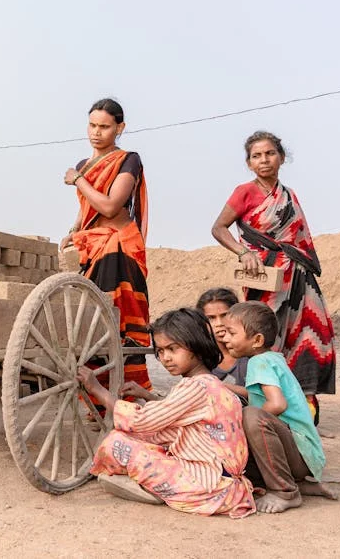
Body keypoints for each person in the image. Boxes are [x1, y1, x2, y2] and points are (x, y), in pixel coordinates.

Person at [76, 308, 255, 519]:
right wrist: (145, 399)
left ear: (196, 347)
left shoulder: (195, 387)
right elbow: (171, 419)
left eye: (172, 349)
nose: (165, 358)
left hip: (206, 487)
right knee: (146, 436)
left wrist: (98, 390)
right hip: (223, 482)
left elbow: (143, 420)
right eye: (160, 351)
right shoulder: (213, 385)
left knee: (117, 441)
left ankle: (156, 489)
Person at [211, 130, 336, 423]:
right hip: (264, 278)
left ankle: (304, 407)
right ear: (249, 163)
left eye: (269, 153)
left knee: (304, 337)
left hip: (298, 279)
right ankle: (264, 401)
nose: (264, 160)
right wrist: (243, 252)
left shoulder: (289, 196)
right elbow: (218, 228)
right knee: (262, 337)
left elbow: (300, 241)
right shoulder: (245, 191)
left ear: (281, 157)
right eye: (256, 156)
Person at [62, 98, 151, 404]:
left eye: (104, 126)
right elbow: (88, 208)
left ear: (119, 128)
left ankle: (125, 400)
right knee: (92, 323)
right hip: (94, 245)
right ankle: (96, 402)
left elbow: (111, 205)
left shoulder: (128, 159)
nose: (96, 132)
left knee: (121, 322)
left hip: (120, 245)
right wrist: (74, 231)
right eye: (92, 125)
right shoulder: (85, 165)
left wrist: (78, 179)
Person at [223, 301, 338, 513]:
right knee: (253, 414)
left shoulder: (259, 362)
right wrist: (223, 387)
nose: (225, 338)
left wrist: (242, 426)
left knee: (251, 417)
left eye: (231, 333)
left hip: (300, 454)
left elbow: (277, 404)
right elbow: (258, 395)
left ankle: (285, 491)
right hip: (306, 455)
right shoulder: (272, 358)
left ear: (257, 340)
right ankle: (302, 484)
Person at [197, 287, 248, 401]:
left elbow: (262, 395)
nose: (219, 323)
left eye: (224, 315)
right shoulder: (200, 358)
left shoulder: (250, 354)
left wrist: (217, 385)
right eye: (211, 318)